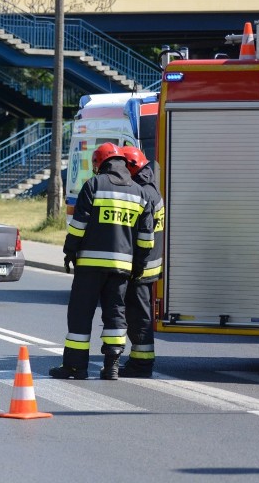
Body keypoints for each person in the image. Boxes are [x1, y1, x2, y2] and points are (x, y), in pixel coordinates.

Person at [49, 143, 154, 381]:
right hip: (121, 269)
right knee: (116, 315)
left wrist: (69, 252)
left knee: (80, 314)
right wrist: (138, 265)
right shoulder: (140, 193)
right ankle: (112, 366)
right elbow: (145, 238)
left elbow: (78, 226)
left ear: (100, 163)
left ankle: (76, 367)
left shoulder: (94, 185)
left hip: (90, 266)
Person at [119, 146, 164, 378]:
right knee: (139, 314)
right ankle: (138, 361)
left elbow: (140, 235)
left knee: (139, 316)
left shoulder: (143, 193)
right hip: (150, 264)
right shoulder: (152, 189)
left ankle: (142, 364)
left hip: (142, 266)